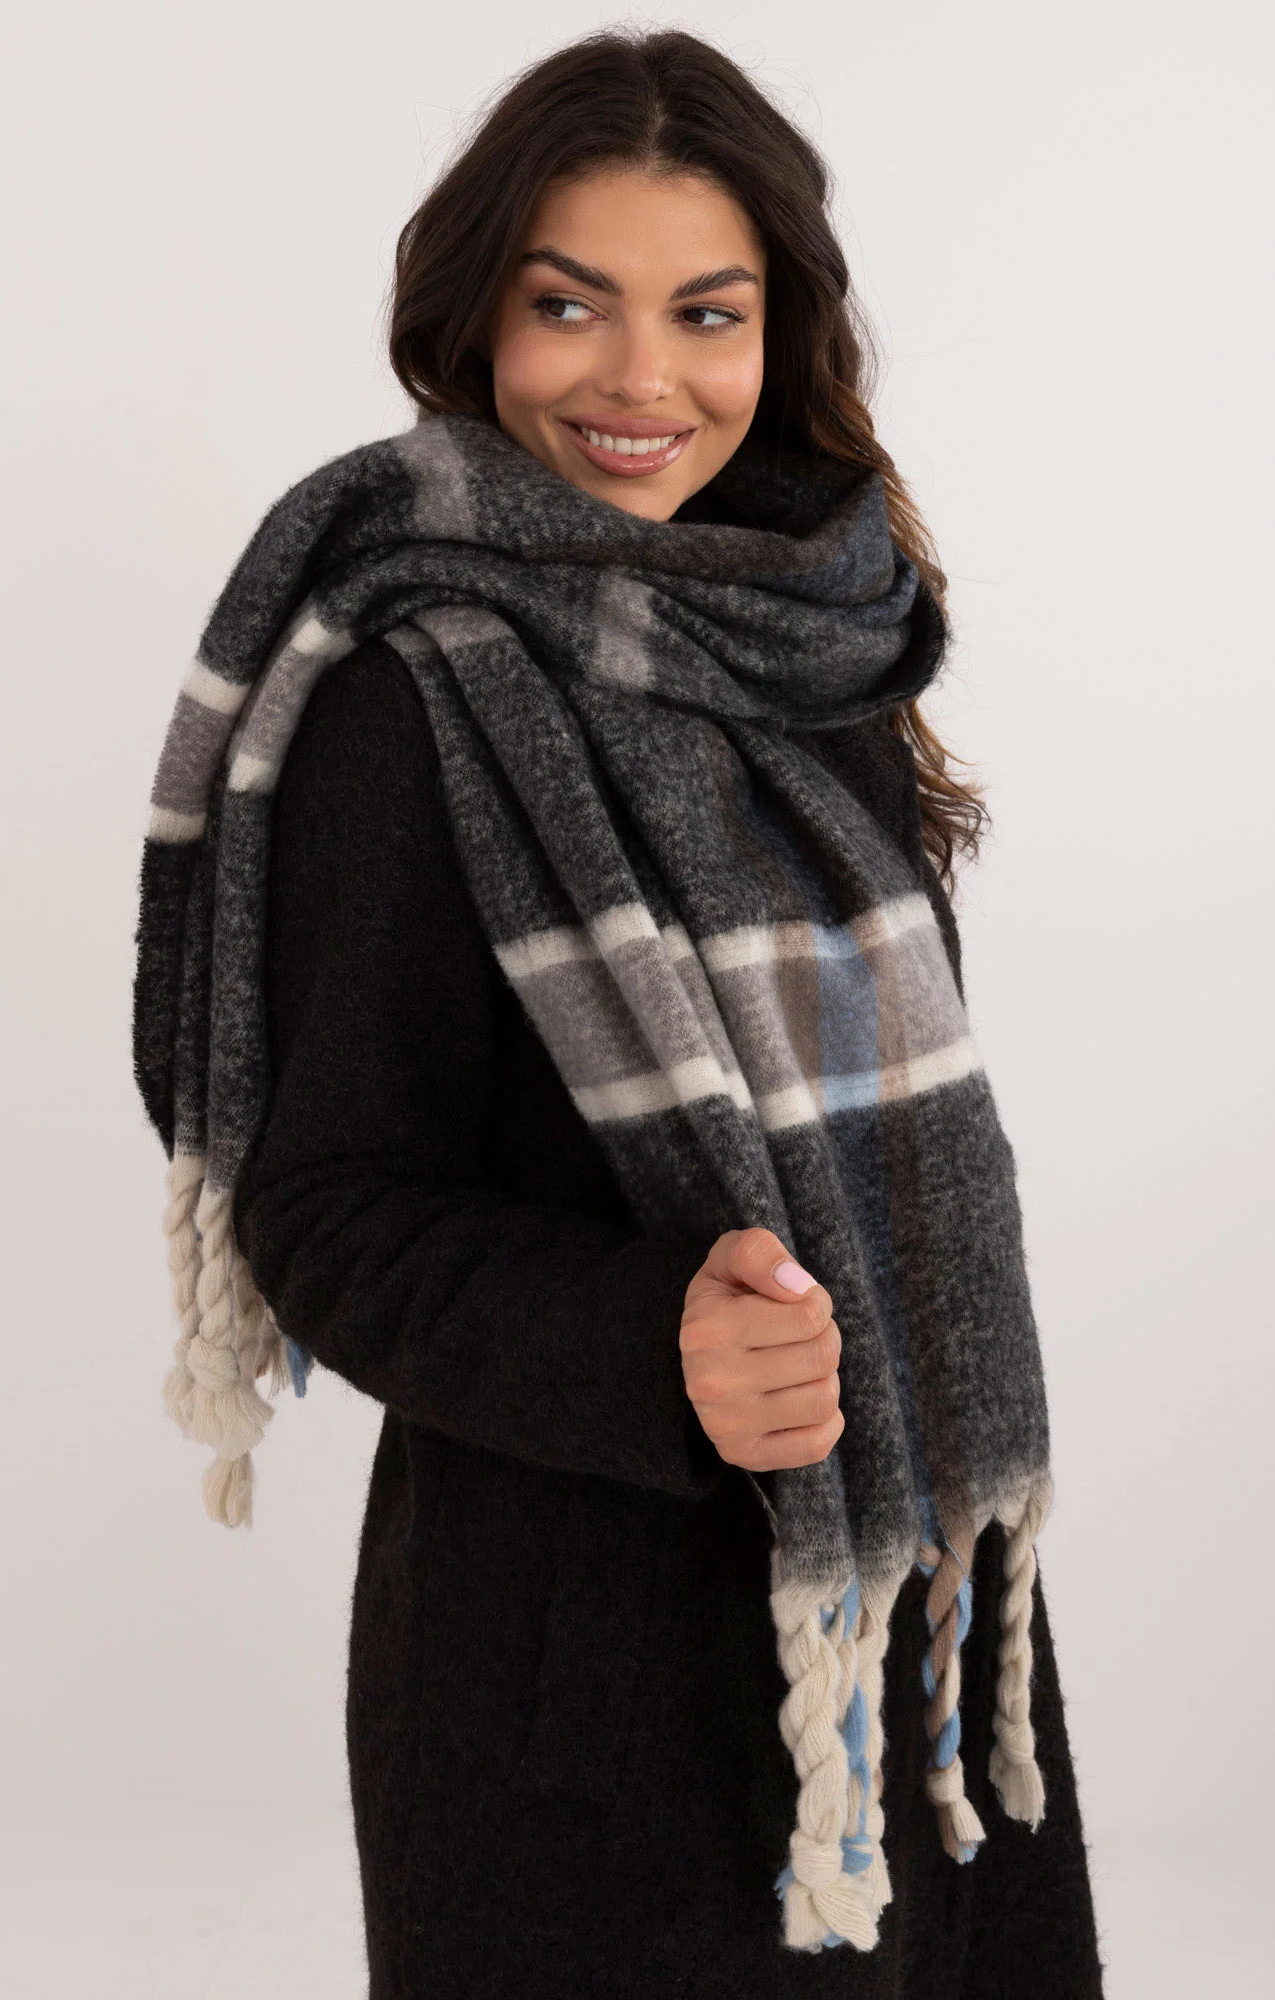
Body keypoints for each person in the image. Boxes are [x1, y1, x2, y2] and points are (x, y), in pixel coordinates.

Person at [137, 26, 1105, 1999]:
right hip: (574, 1702)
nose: (640, 378)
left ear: (782, 332)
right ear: (473, 314)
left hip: (907, 1642)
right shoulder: (409, 692)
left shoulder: (822, 641)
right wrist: (655, 1341)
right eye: (568, 303)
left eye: (705, 313)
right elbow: (321, 1209)